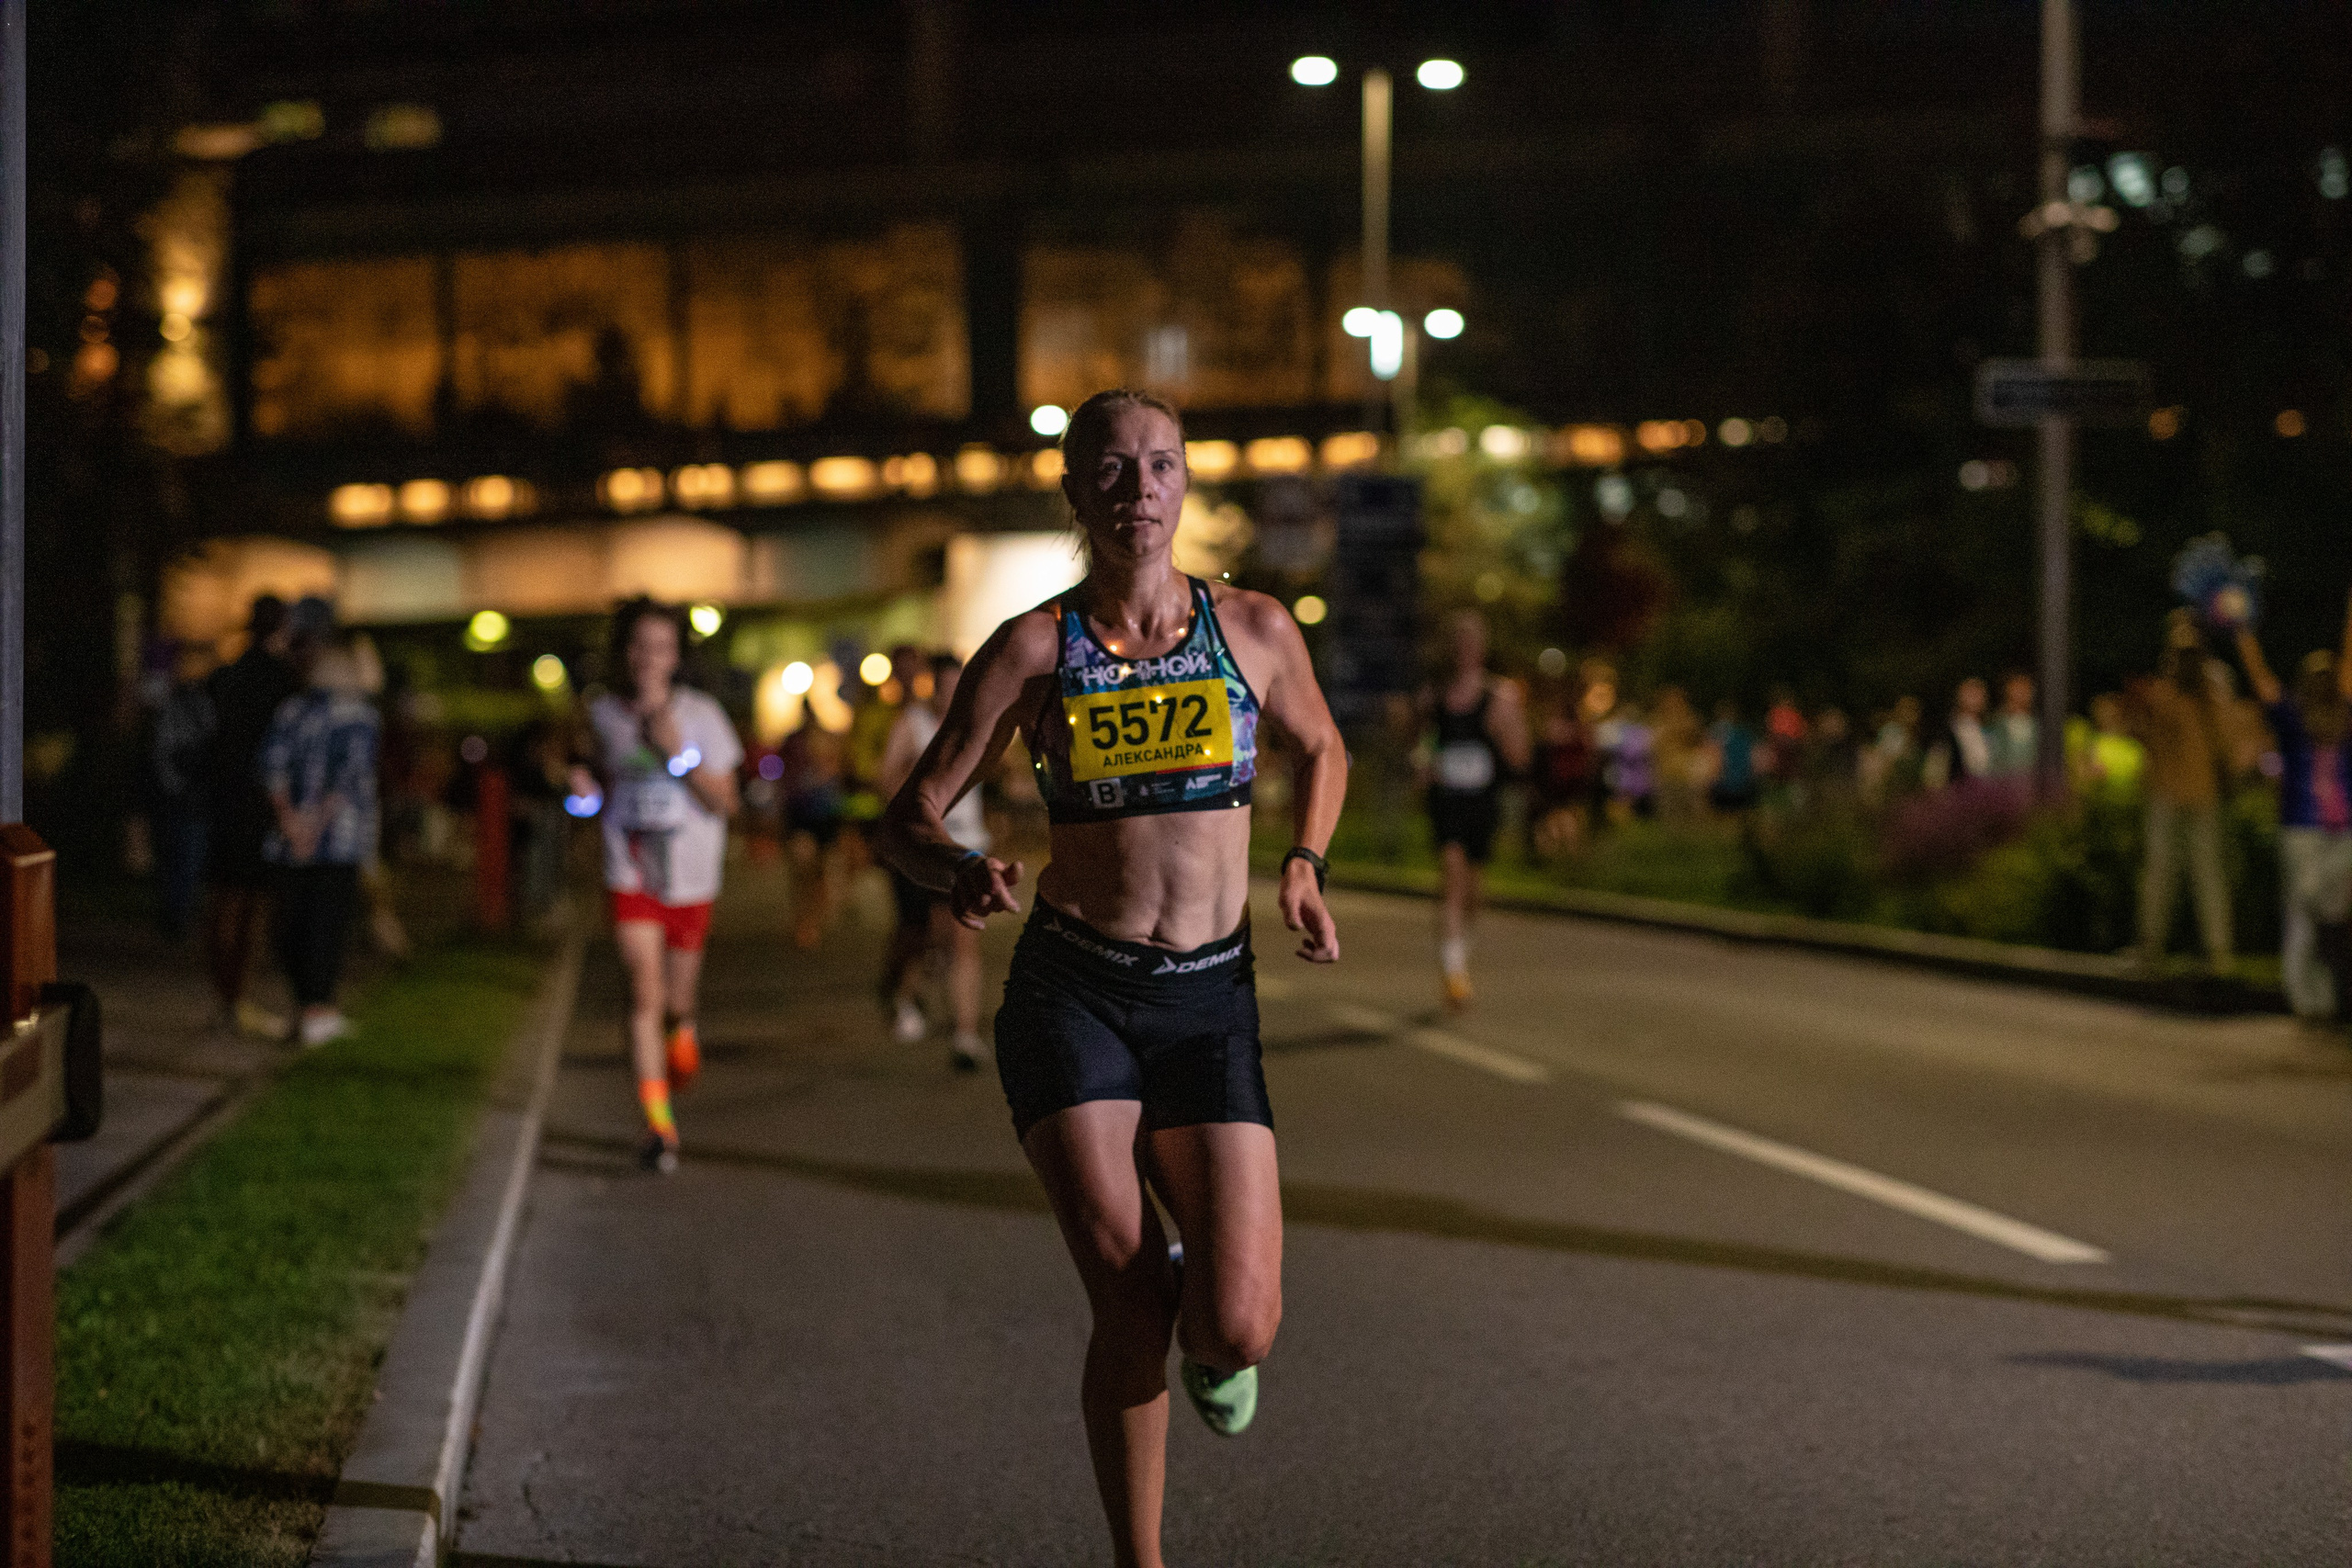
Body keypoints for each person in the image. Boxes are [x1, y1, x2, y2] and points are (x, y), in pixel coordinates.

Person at [875, 389, 1346, 1568]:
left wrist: (1302, 861)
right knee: (1129, 1299)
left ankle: (1210, 1331)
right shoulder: (1037, 647)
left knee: (1237, 1323)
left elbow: (1323, 746)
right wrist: (955, 869)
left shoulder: (1253, 628)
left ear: (1187, 485)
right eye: (1113, 470)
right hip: (1073, 992)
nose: (1139, 490)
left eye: (1161, 466)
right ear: (1078, 492)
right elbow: (907, 814)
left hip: (1208, 999)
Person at [575, 598, 743, 1173]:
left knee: (676, 1001)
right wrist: (582, 789)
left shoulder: (702, 716)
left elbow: (725, 802)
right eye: (640, 646)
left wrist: (678, 755)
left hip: (691, 878)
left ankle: (686, 1029)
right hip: (630, 871)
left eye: (662, 648)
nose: (650, 658)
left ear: (676, 657)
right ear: (625, 652)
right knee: (642, 996)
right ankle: (659, 1127)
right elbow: (594, 790)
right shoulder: (603, 714)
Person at [259, 629, 380, 1046]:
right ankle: (319, 1010)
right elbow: (348, 775)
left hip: (288, 840)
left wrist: (291, 822)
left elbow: (271, 766)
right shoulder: (360, 716)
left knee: (292, 925)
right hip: (338, 839)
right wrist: (315, 826)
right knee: (327, 924)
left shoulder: (292, 710)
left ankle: (303, 1007)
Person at [2233, 597, 2352, 1021]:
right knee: (2304, 914)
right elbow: (2262, 680)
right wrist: (2240, 630)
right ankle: (2308, 1001)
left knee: (2331, 913)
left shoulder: (2345, 718)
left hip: (2343, 830)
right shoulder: (2293, 718)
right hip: (2301, 826)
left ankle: (2330, 996)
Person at [877, 650, 990, 1069]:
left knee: (963, 937)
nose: (951, 695)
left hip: (968, 845)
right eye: (945, 686)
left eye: (958, 685)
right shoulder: (913, 724)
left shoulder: (976, 725)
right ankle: (898, 990)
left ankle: (964, 1034)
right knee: (917, 934)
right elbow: (885, 779)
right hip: (925, 845)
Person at [1418, 610, 1529, 1010]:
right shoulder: (1434, 697)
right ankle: (1454, 972)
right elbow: (1424, 746)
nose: (1464, 651)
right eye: (1458, 644)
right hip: (1447, 800)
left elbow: (1519, 756)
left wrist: (1507, 729)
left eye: (1471, 644)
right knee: (1451, 877)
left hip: (1483, 800)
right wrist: (1424, 763)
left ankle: (1462, 949)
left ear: (1481, 650)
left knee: (1473, 888)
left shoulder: (1499, 696)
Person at [203, 595, 302, 1035]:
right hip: (262, 801)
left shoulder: (223, 677)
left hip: (222, 797)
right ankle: (238, 998)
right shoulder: (284, 681)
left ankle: (225, 995)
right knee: (253, 904)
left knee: (222, 899)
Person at [2130, 633, 2234, 972]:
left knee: (2207, 875)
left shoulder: (2212, 695)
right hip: (2167, 796)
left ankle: (2218, 952)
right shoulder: (2164, 694)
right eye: (2180, 655)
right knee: (2160, 873)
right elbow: (2149, 741)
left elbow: (2224, 747)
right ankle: (2151, 947)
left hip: (2201, 797)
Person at [147, 641, 217, 939]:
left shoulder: (204, 701)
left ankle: (178, 916)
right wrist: (175, 786)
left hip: (192, 794)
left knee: (187, 857)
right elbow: (163, 751)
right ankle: (175, 917)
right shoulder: (174, 704)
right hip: (181, 794)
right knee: (178, 857)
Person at [1922, 676, 1993, 789]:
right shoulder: (1945, 732)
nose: (1975, 696)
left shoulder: (1992, 730)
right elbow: (1934, 773)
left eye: (1979, 692)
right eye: (1970, 692)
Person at [1985, 671, 2038, 778]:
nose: (2022, 693)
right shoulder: (1995, 723)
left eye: (2026, 688)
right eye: (2017, 688)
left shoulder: (2039, 725)